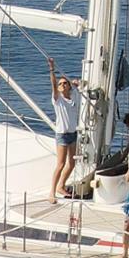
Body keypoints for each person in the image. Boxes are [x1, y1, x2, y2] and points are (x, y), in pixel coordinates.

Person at [46, 57, 82, 201]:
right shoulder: (57, 99)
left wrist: (77, 84)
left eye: (64, 83)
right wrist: (52, 69)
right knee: (60, 164)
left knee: (72, 163)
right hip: (62, 134)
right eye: (60, 84)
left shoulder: (74, 96)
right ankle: (52, 192)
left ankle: (62, 185)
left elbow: (80, 86)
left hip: (73, 133)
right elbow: (53, 85)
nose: (62, 85)